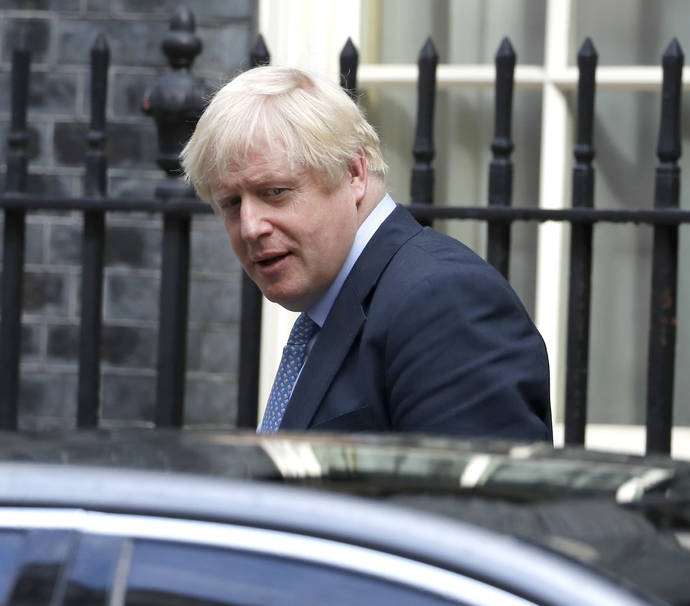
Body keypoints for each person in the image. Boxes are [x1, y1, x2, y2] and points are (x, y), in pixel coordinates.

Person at [181, 65, 552, 442]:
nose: (250, 226)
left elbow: (474, 499)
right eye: (230, 202)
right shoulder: (343, 303)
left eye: (275, 192)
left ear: (354, 173)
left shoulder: (443, 303)